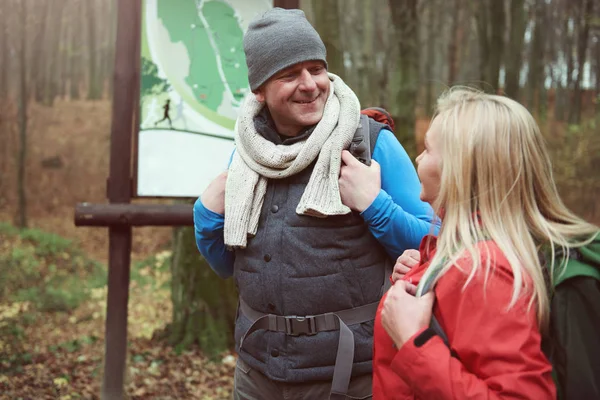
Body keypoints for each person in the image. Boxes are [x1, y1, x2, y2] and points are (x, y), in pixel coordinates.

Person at [194, 8, 437, 400]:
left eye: (317, 69)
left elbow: (436, 245)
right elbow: (225, 264)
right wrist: (205, 216)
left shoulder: (371, 143)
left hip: (349, 375)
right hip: (257, 373)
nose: (309, 85)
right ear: (259, 89)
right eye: (289, 74)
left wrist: (375, 205)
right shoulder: (248, 152)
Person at [370, 87, 600, 398]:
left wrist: (414, 341)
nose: (418, 157)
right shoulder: (468, 255)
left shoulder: (481, 270)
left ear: (458, 170)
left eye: (427, 149)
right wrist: (424, 270)